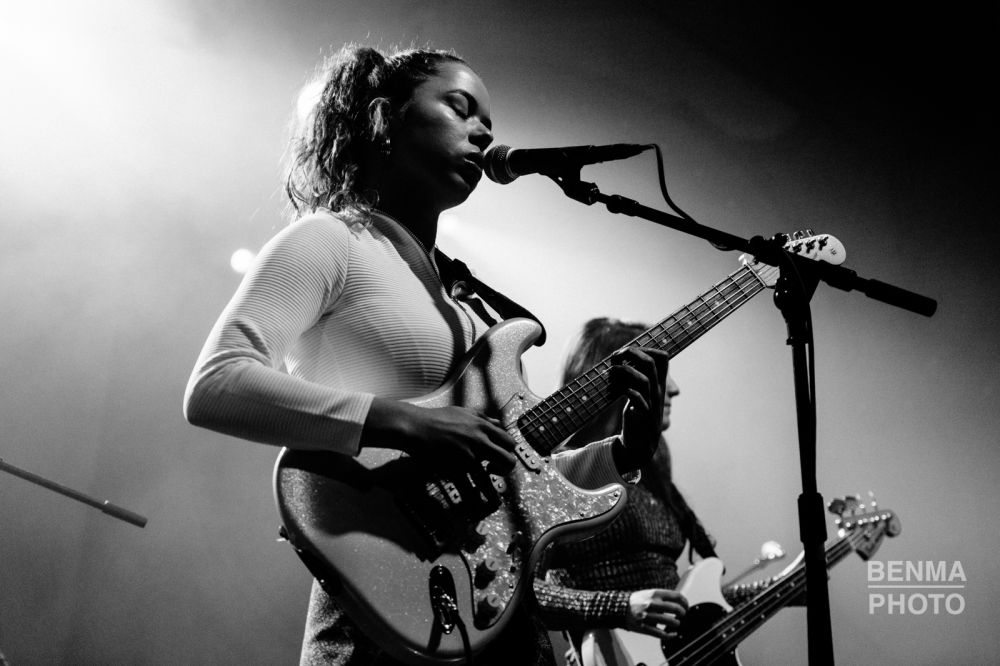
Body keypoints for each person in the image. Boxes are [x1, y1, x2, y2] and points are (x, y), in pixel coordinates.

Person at [183, 44, 669, 666]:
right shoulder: (331, 241)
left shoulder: (469, 304)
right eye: (461, 108)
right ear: (385, 119)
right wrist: (405, 419)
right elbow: (217, 385)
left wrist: (625, 450)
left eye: (488, 124)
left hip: (498, 614)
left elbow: (519, 476)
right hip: (381, 605)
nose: (483, 131)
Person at [534, 317, 718, 657]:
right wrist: (619, 607)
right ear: (612, 384)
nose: (673, 388)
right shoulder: (554, 472)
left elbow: (675, 599)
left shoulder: (655, 462)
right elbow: (517, 592)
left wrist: (779, 590)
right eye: (659, 372)